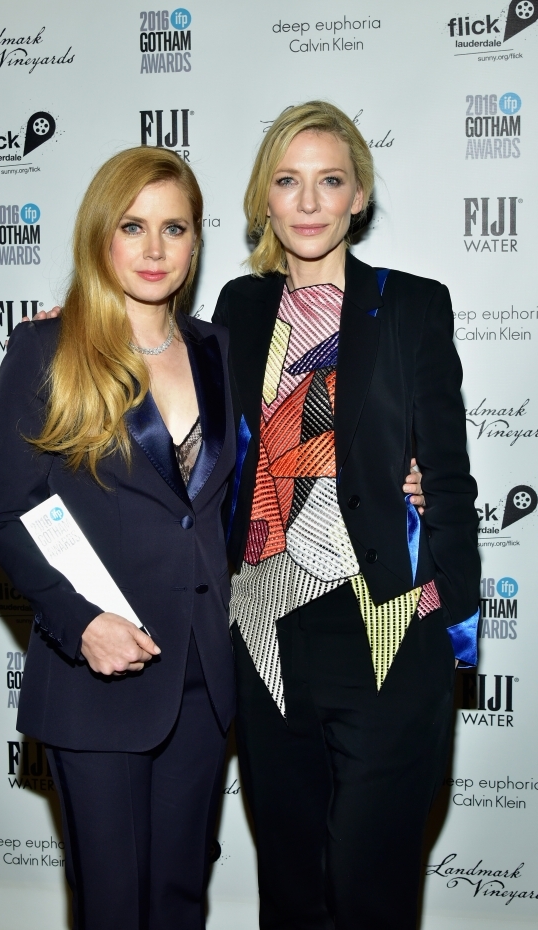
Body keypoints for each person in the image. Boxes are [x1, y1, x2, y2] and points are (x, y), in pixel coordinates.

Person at [212, 101, 481, 930]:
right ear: (264, 198)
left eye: (329, 181)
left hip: (385, 626)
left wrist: (450, 621)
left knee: (372, 889)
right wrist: (68, 331)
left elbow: (449, 479)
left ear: (358, 196)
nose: (308, 202)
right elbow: (182, 407)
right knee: (291, 889)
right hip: (266, 626)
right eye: (287, 181)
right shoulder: (239, 307)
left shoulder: (411, 306)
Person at [0, 147, 237, 930]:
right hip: (98, 676)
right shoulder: (48, 349)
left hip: (202, 674)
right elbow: (8, 516)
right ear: (101, 234)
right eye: (133, 226)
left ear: (196, 241)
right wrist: (83, 622)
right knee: (114, 909)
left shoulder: (218, 350)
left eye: (174, 228)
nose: (155, 249)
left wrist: (403, 478)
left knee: (180, 902)